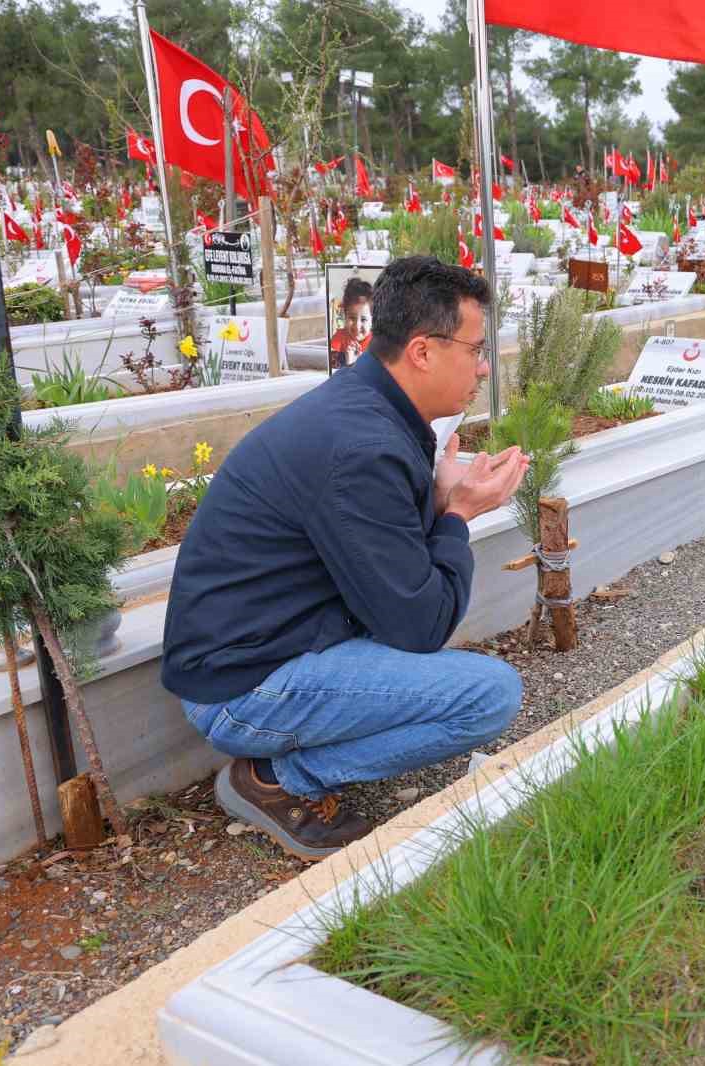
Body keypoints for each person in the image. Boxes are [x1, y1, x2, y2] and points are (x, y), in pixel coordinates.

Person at [162, 256, 529, 860]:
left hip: (270, 647)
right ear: (422, 351)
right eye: (476, 348)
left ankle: (282, 765)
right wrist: (457, 515)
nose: (483, 366)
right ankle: (276, 781)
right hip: (243, 687)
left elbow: (390, 579)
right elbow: (420, 624)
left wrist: (437, 500)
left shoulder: (366, 409)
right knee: (487, 697)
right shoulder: (362, 444)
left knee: (462, 679)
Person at [328, 276, 373, 371]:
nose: (357, 326)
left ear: (373, 319)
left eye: (364, 319)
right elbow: (333, 375)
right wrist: (349, 363)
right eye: (352, 318)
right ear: (345, 315)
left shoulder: (377, 344)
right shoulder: (338, 338)